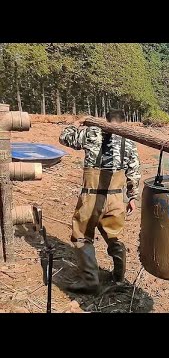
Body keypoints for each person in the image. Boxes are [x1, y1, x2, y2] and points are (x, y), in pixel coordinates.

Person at [59, 109, 141, 294]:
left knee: (81, 235)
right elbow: (134, 172)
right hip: (116, 197)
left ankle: (90, 281)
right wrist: (133, 197)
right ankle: (119, 278)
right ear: (124, 122)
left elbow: (64, 137)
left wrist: (77, 123)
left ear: (106, 120)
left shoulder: (91, 133)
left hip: (91, 195)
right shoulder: (129, 141)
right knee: (114, 236)